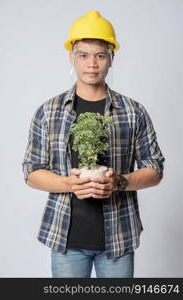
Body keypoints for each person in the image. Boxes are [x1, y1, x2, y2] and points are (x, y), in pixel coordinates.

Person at [22, 10, 165, 278]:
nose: (92, 63)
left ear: (111, 58)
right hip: (66, 241)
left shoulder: (133, 112)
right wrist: (69, 184)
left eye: (100, 55)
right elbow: (31, 172)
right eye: (83, 55)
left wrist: (118, 182)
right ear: (71, 57)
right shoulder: (49, 111)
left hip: (118, 239)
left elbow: (155, 169)